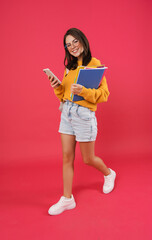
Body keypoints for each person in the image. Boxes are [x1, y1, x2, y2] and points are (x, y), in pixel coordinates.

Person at [48, 28, 116, 216]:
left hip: (84, 115)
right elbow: (63, 95)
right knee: (67, 157)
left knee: (87, 159)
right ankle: (67, 199)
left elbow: (104, 95)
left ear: (83, 41)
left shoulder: (95, 65)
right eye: (68, 45)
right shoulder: (69, 67)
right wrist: (57, 88)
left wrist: (84, 91)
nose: (72, 47)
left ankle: (109, 174)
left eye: (74, 42)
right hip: (67, 113)